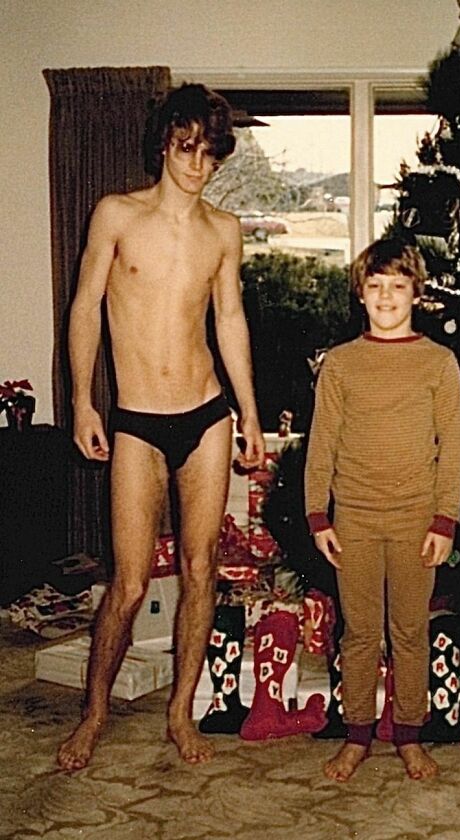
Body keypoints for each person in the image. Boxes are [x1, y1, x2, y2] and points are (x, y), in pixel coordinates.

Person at [57, 84, 265, 770]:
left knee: (203, 571)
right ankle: (94, 713)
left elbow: (230, 321)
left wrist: (250, 417)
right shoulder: (117, 214)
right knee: (129, 581)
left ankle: (180, 711)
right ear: (163, 144)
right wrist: (84, 402)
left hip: (206, 413)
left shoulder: (223, 230)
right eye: (186, 149)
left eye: (209, 153)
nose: (198, 165)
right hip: (138, 421)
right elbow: (85, 307)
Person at [305, 239, 460, 781]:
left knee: (409, 631)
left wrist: (445, 520)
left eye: (398, 286)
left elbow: (454, 447)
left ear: (416, 293)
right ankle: (356, 735)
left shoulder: (439, 363)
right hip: (353, 519)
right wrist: (317, 515)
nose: (386, 295)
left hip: (416, 520)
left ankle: (409, 735)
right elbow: (321, 443)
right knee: (359, 630)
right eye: (375, 285)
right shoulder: (341, 364)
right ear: (361, 293)